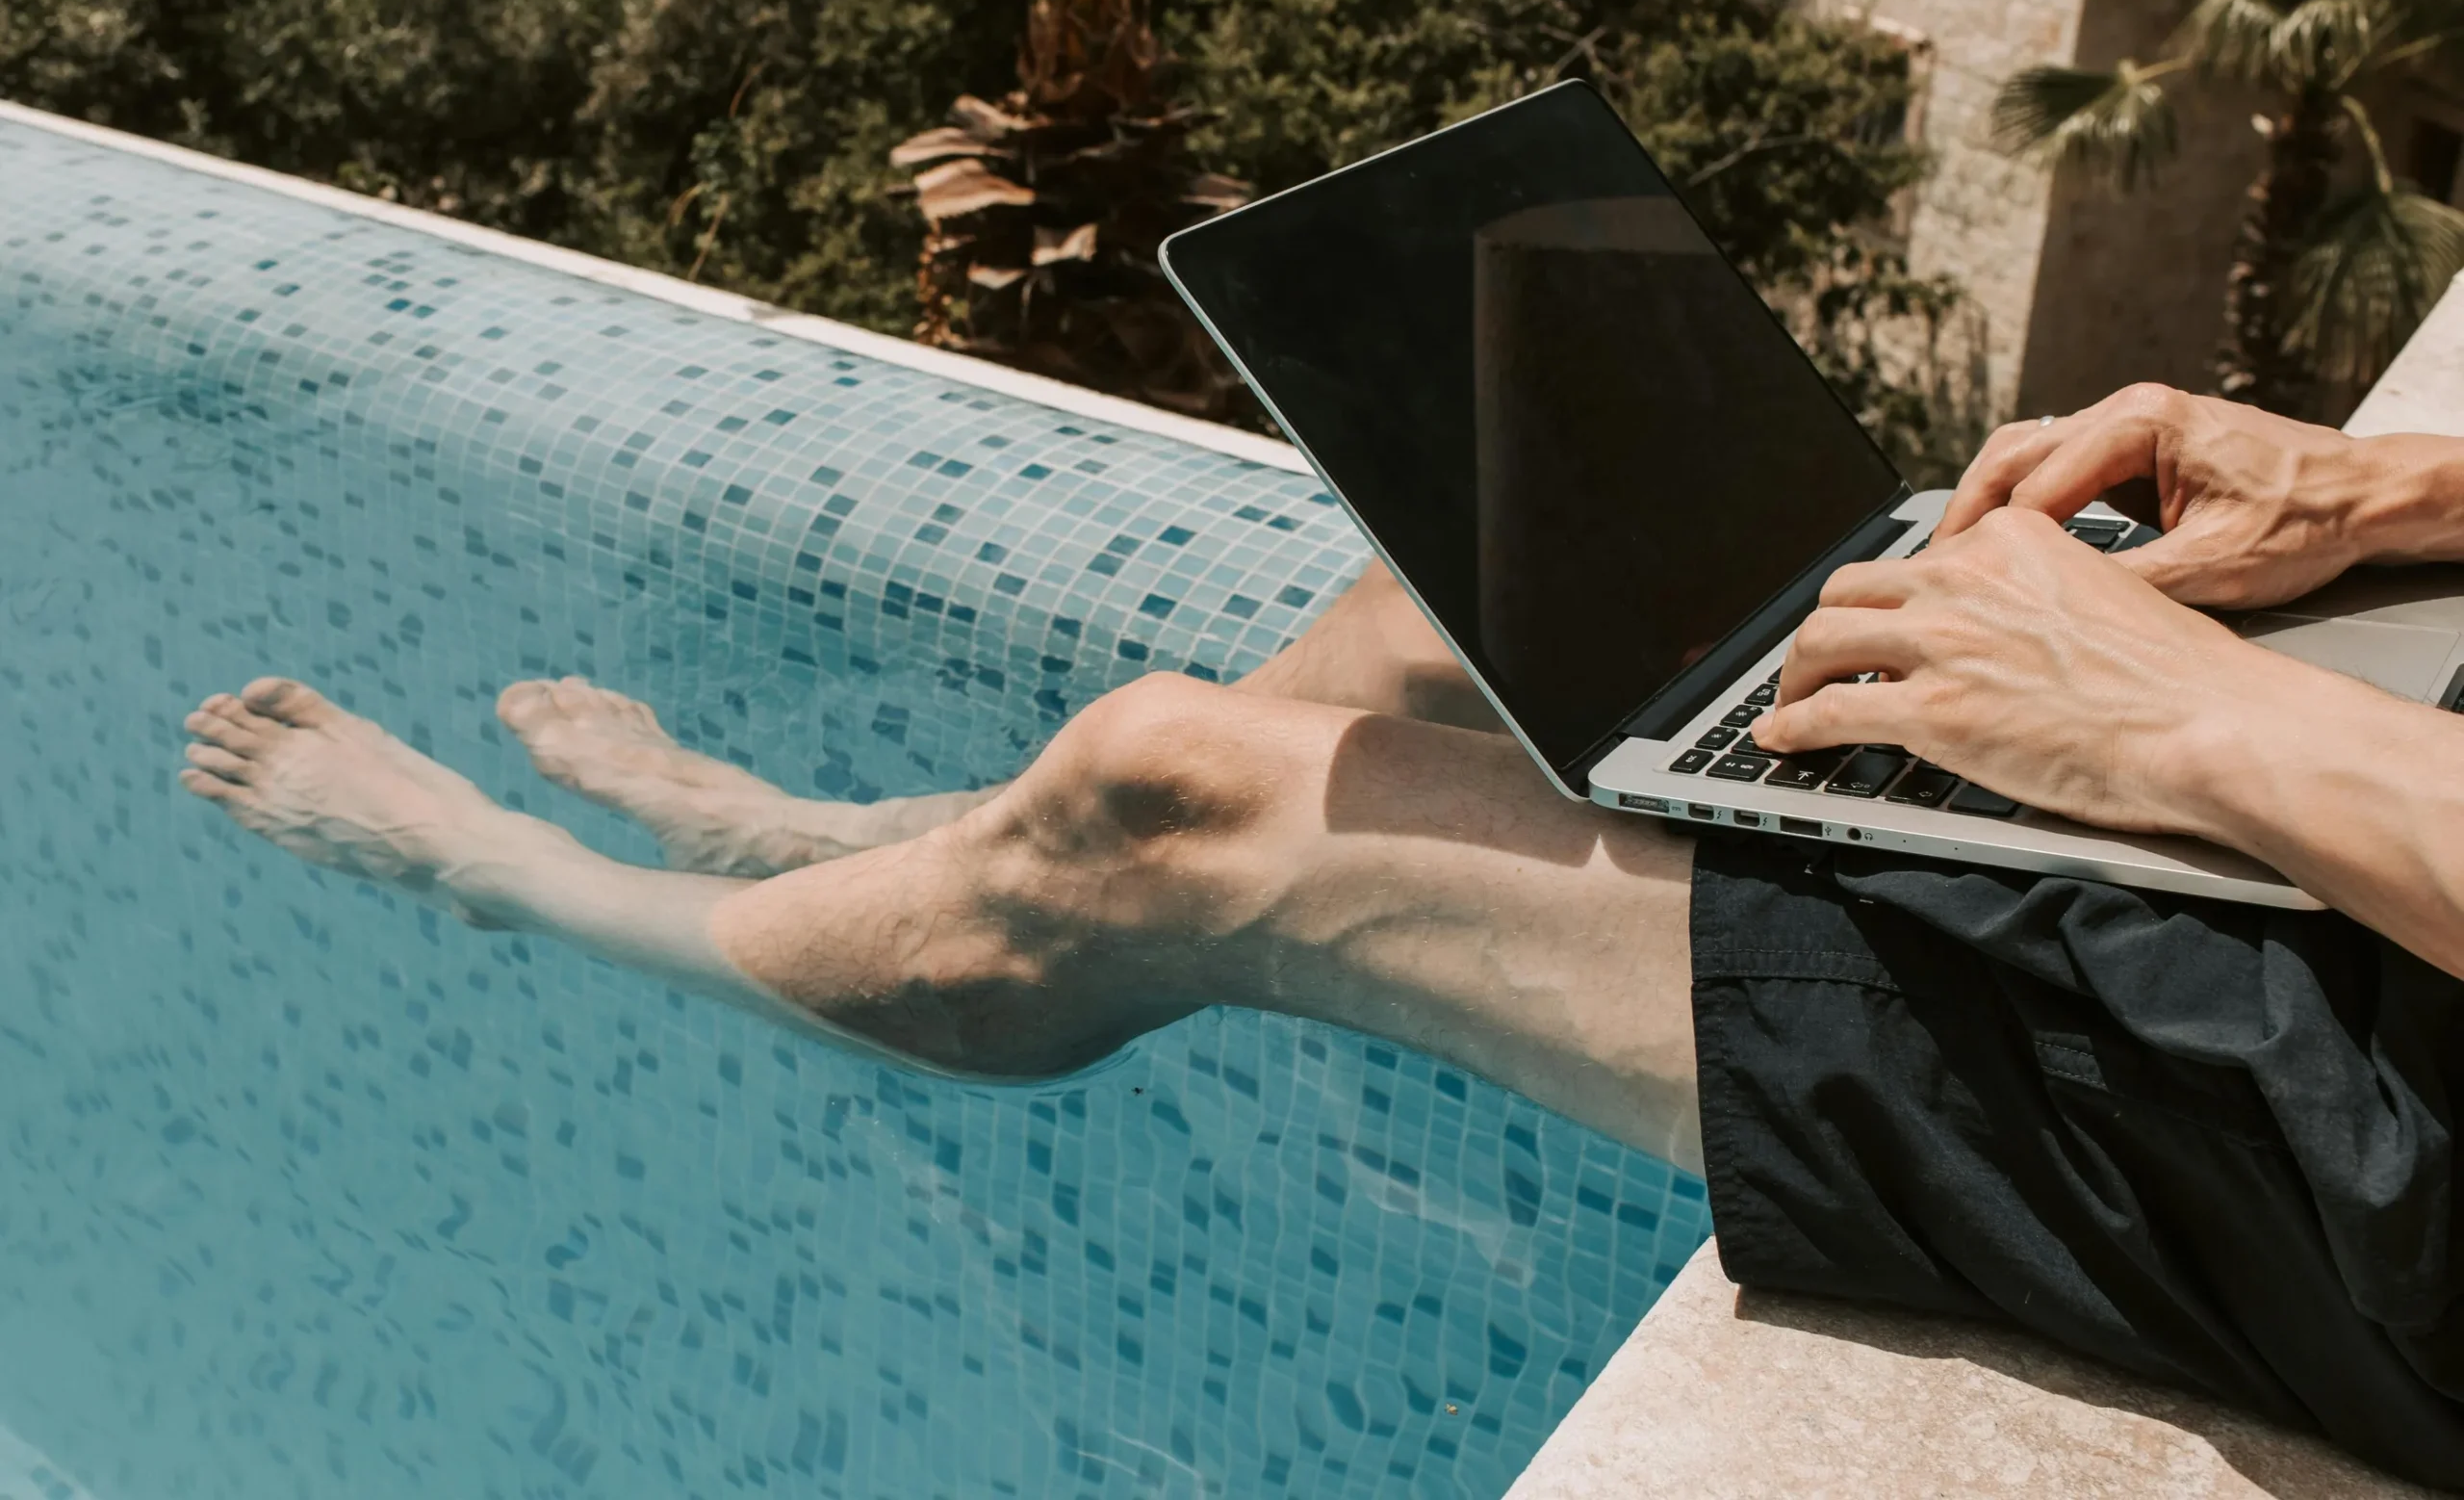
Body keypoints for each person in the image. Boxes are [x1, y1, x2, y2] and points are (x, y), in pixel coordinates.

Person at [180, 383, 2464, 1484]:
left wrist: (2202, 732)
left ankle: (538, 877)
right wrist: (2402, 495)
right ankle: (891, 836)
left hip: (2391, 1116)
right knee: (1454, 614)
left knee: (1183, 808)